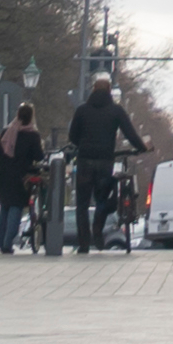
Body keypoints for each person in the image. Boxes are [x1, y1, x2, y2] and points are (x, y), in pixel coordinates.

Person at [65, 73, 133, 256]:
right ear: (110, 91)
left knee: (82, 203)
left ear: (92, 90)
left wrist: (83, 143)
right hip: (105, 162)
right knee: (103, 199)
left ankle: (84, 244)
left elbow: (72, 137)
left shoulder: (82, 110)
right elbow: (129, 132)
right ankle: (98, 227)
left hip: (85, 161)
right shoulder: (116, 110)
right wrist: (141, 147)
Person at [0, 101, 50, 257]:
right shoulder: (32, 134)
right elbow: (38, 156)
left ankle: (2, 241)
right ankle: (8, 243)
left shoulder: (6, 132)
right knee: (16, 208)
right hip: (21, 176)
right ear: (31, 117)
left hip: (3, 175)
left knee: (4, 208)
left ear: (17, 115)